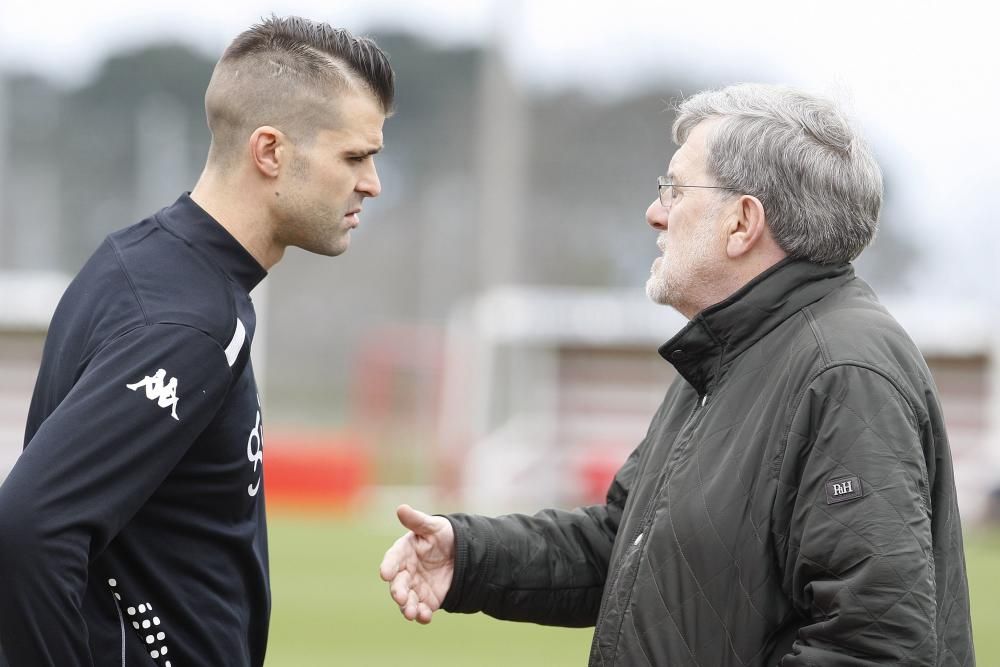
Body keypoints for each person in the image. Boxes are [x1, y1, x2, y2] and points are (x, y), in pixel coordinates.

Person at [380, 84, 975, 665]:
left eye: (674, 189)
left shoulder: (845, 372)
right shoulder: (733, 353)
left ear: (742, 222)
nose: (654, 213)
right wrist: (472, 557)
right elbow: (624, 542)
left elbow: (875, 645)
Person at [0, 16, 392, 667]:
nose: (372, 182)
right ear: (270, 151)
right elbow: (29, 528)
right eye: (354, 156)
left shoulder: (143, 260)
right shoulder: (186, 321)